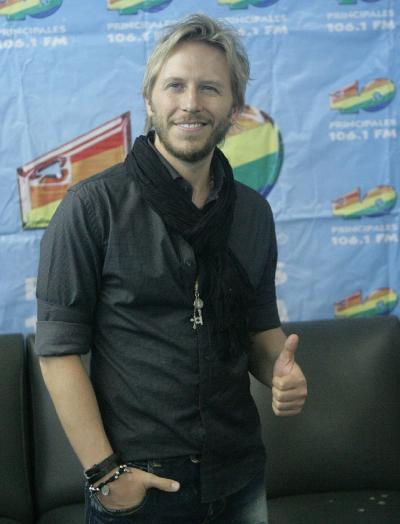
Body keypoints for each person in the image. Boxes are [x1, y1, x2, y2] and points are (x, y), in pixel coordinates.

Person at [35, 13, 307, 524]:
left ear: (234, 108)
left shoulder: (252, 213)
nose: (191, 102)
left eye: (210, 88)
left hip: (239, 473)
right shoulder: (92, 207)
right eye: (175, 85)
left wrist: (280, 373)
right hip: (141, 482)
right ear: (149, 100)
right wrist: (107, 475)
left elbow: (259, 331)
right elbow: (57, 352)